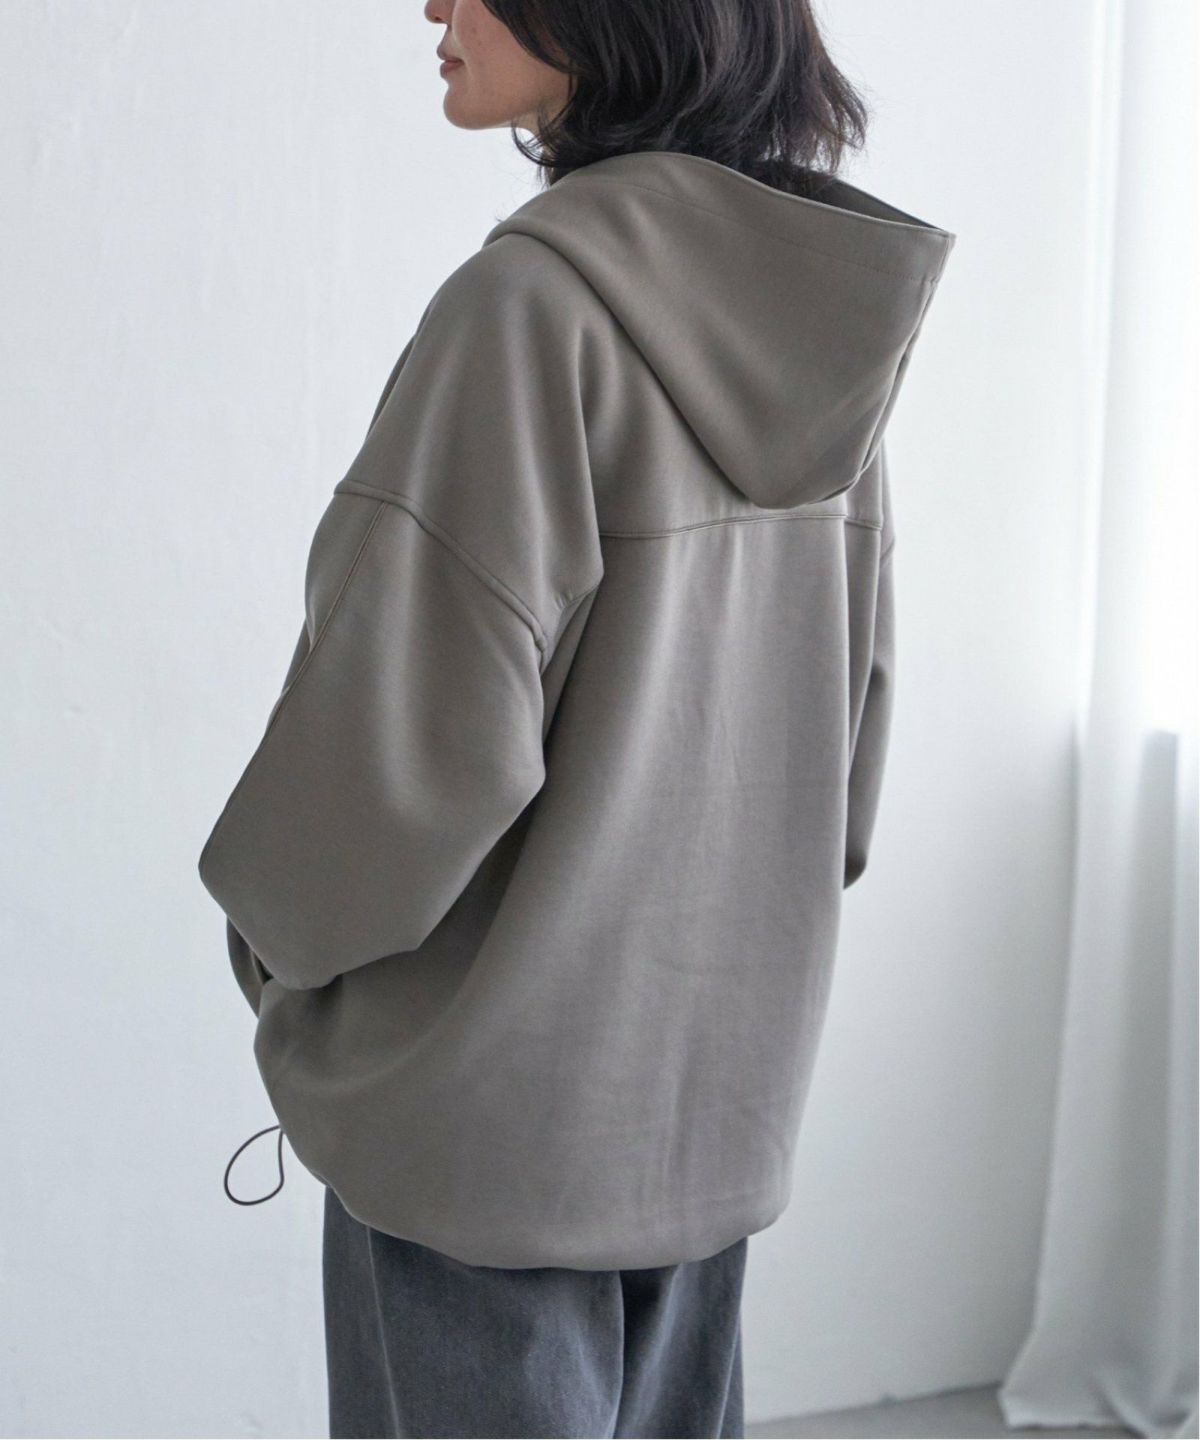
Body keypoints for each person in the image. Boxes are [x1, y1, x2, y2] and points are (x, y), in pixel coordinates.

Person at [198, 0, 957, 1435]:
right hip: (712, 1112)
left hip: (483, 1132)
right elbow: (845, 765)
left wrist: (274, 949)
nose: (435, 4)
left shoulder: (526, 314)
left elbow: (391, 756)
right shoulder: (820, 323)